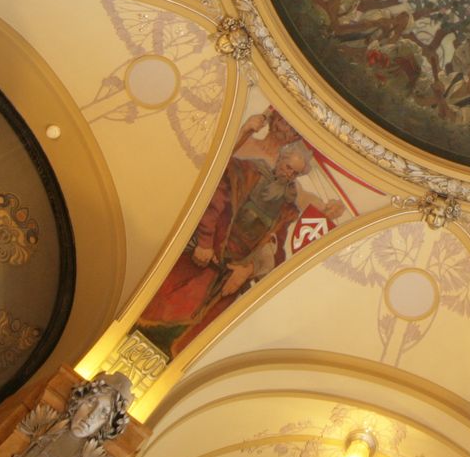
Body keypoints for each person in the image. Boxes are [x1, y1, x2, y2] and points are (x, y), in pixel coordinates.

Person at [134, 140, 341, 356]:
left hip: (231, 276)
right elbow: (213, 204)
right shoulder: (244, 172)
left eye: (296, 174)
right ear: (280, 159)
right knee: (156, 307)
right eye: (288, 167)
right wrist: (204, 243)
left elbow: (276, 249)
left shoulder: (288, 208)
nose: (289, 175)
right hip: (202, 259)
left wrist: (248, 270)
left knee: (193, 339)